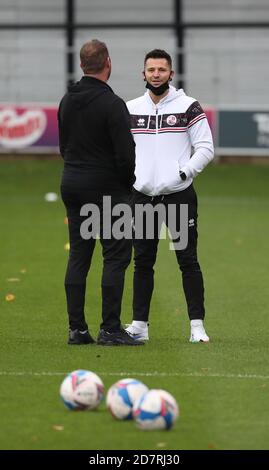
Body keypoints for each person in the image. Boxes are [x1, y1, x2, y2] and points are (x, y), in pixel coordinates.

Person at [125, 49, 214, 343]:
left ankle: (197, 326)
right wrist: (131, 178)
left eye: (161, 70)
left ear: (171, 74)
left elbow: (205, 148)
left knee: (188, 261)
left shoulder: (189, 106)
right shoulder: (130, 108)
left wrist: (183, 173)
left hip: (178, 196)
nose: (156, 74)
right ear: (144, 74)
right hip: (142, 197)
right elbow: (123, 150)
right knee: (142, 261)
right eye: (151, 70)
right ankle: (139, 326)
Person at [58, 39, 143, 346]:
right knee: (116, 255)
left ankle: (77, 330)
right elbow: (126, 155)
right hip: (107, 189)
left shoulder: (67, 101)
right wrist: (126, 185)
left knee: (79, 256)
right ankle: (109, 328)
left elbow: (63, 147)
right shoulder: (112, 104)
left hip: (73, 184)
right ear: (108, 62)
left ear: (82, 65)